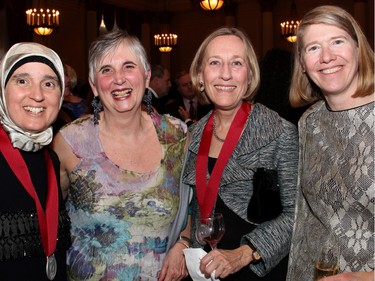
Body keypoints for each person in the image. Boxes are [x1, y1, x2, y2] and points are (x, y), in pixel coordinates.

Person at [52, 29, 191, 281]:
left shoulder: (177, 136)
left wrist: (184, 242)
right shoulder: (69, 142)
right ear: (94, 85)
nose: (118, 79)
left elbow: (193, 203)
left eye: (128, 66)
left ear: (146, 76)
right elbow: (46, 216)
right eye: (106, 70)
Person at [182, 27, 299, 280]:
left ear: (249, 76)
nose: (225, 74)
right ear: (200, 76)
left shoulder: (279, 132)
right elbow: (193, 206)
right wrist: (183, 244)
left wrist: (245, 253)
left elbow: (296, 215)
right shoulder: (193, 136)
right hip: (205, 270)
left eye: (236, 63)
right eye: (215, 63)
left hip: (258, 271)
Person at [286, 5, 374, 281]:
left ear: (358, 48)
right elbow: (305, 220)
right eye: (313, 48)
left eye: (337, 41)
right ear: (302, 63)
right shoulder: (309, 122)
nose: (326, 57)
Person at [0, 42, 71, 280]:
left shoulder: (50, 158)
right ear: (2, 88)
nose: (37, 95)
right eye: (22, 81)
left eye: (49, 84)